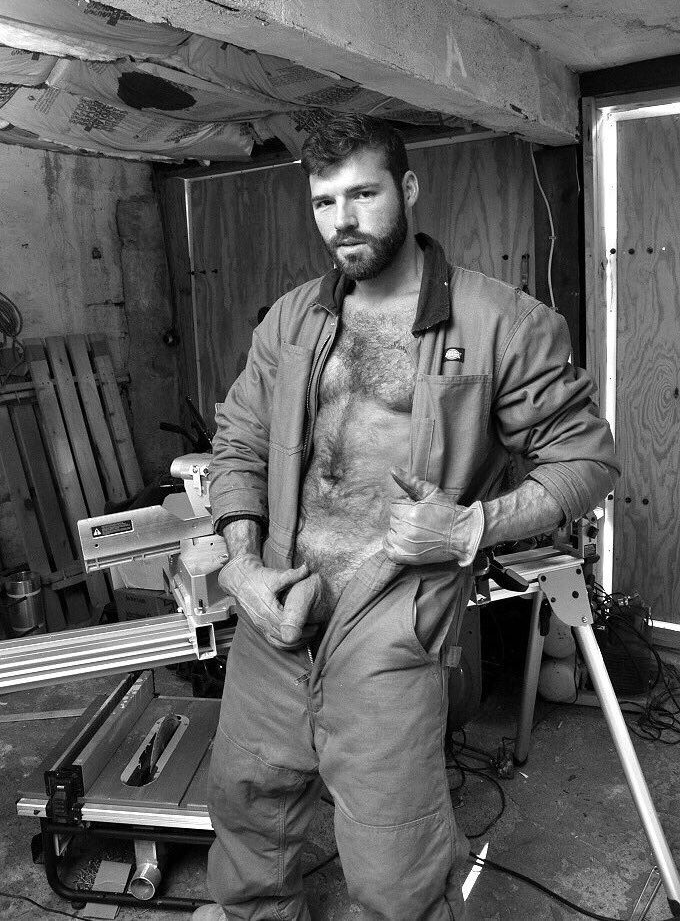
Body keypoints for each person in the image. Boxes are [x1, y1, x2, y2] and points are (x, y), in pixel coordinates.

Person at [195, 114, 619, 921]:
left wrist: (469, 527)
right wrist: (241, 565)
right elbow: (239, 440)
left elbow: (588, 462)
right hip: (275, 605)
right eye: (325, 202)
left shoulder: (502, 323)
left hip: (391, 620)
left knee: (395, 863)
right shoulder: (291, 319)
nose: (343, 220)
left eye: (363, 194)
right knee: (247, 811)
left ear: (409, 188)